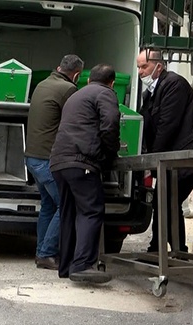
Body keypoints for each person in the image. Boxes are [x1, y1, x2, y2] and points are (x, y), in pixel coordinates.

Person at [50, 64, 121, 284]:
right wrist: (109, 153)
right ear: (112, 83)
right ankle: (82, 265)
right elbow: (110, 123)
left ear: (88, 80)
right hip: (82, 161)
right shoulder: (105, 93)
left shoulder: (76, 95)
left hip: (59, 162)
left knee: (69, 212)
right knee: (91, 210)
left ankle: (66, 266)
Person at [137, 49, 193, 253]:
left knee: (168, 199)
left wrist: (153, 159)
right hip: (173, 157)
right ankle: (165, 248)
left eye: (144, 66)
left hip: (185, 156)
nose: (140, 71)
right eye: (138, 66)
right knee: (165, 200)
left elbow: (167, 125)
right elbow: (145, 122)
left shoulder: (174, 84)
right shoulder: (151, 92)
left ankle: (172, 249)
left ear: (159, 66)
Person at [25, 54, 83, 270]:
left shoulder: (42, 84)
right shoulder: (68, 90)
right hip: (47, 160)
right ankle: (46, 253)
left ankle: (42, 252)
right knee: (66, 204)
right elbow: (76, 122)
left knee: (49, 205)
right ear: (76, 75)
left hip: (32, 157)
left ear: (59, 67)